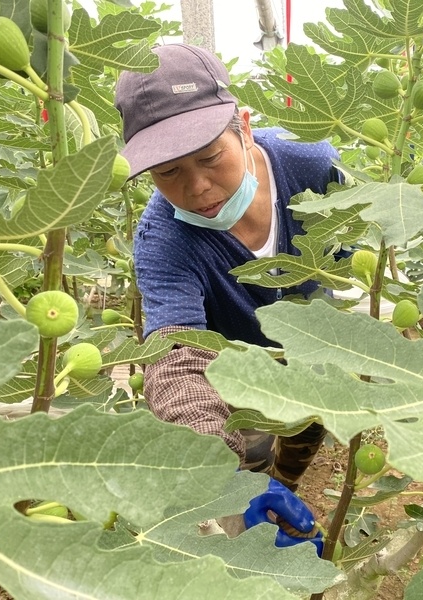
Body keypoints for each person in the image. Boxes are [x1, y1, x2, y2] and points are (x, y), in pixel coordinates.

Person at [114, 43, 342, 552]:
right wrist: (228, 478)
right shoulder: (163, 237)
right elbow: (175, 359)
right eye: (167, 172)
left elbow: (354, 264)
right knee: (252, 448)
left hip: (314, 357)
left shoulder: (313, 166)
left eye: (210, 157)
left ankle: (288, 483)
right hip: (235, 373)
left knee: (305, 433)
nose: (197, 187)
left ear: (244, 124)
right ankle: (261, 483)